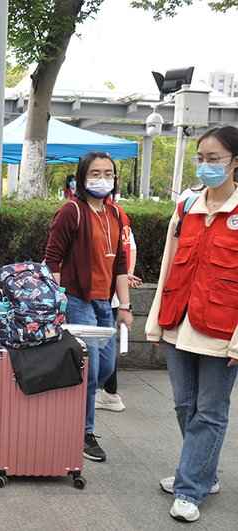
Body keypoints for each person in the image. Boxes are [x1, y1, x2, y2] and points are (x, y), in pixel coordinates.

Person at [146, 125, 238, 523]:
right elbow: (168, 268)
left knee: (210, 411)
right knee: (185, 404)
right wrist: (155, 323)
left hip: (222, 330)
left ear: (235, 162)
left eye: (214, 159)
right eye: (200, 159)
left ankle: (189, 488)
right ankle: (203, 472)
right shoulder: (186, 207)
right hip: (177, 322)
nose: (205, 166)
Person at [45, 151, 133, 463]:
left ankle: (72, 415)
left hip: (104, 303)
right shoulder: (71, 211)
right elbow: (53, 258)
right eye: (95, 173)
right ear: (82, 177)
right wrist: (58, 302)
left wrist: (125, 306)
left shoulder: (115, 214)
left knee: (105, 368)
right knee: (90, 371)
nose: (102, 179)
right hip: (77, 300)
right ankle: (84, 432)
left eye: (108, 173)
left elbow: (120, 264)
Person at [95, 196, 141, 412]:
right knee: (105, 342)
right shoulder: (118, 212)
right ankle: (108, 393)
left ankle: (109, 393)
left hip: (103, 290)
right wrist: (127, 274)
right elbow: (130, 247)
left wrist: (124, 277)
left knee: (100, 343)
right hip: (113, 292)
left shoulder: (105, 213)